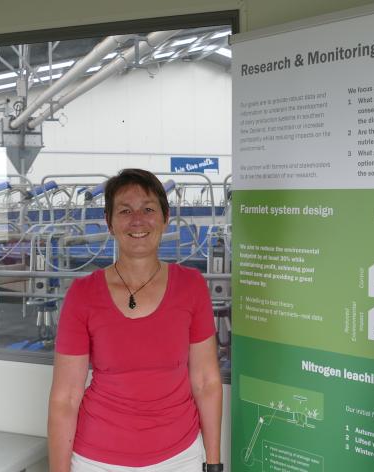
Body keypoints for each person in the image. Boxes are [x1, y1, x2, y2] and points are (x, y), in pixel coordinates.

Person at [48, 169, 224, 472]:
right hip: (97, 459)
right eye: (125, 211)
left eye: (148, 209)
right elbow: (66, 398)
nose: (137, 220)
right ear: (109, 221)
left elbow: (206, 382)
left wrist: (213, 463)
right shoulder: (83, 294)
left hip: (180, 457)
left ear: (165, 218)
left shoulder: (191, 286)